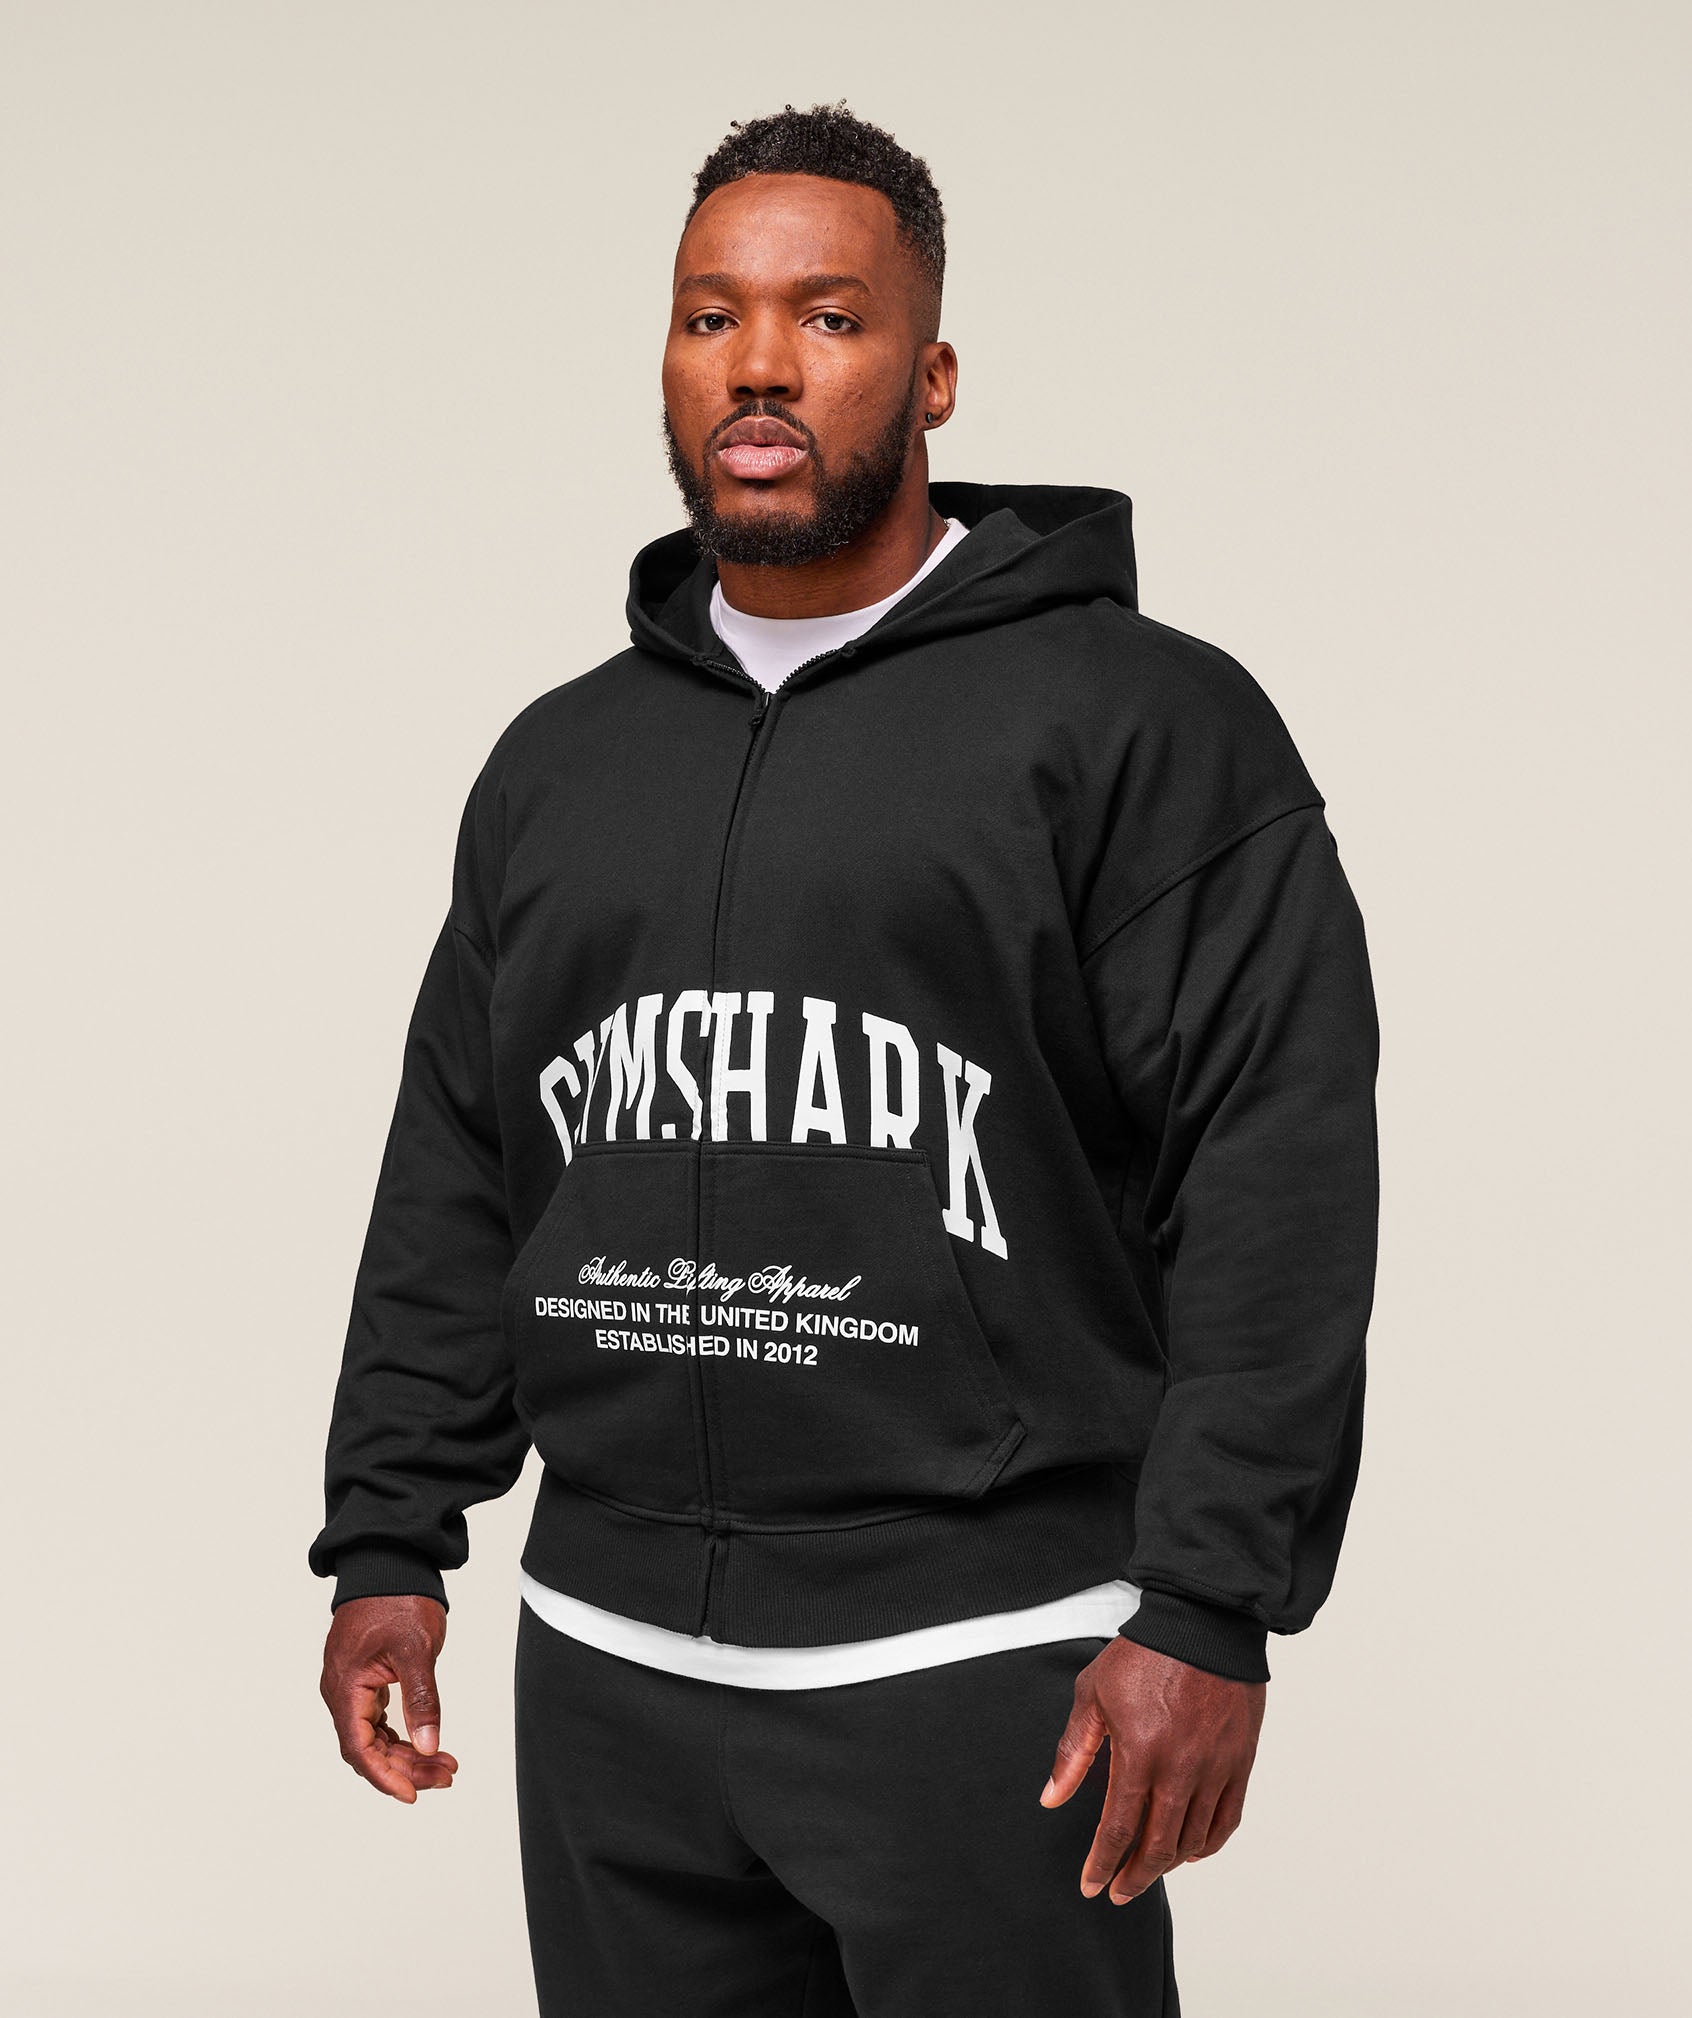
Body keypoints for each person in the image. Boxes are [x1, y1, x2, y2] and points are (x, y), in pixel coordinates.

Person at [310, 101, 1379, 2018]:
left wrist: (1213, 1604)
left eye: (827, 316)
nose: (762, 364)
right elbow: (461, 1163)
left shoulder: (1140, 724)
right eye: (709, 315)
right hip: (611, 1668)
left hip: (986, 1666)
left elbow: (1273, 1175)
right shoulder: (558, 763)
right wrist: (391, 1530)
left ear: (932, 371)